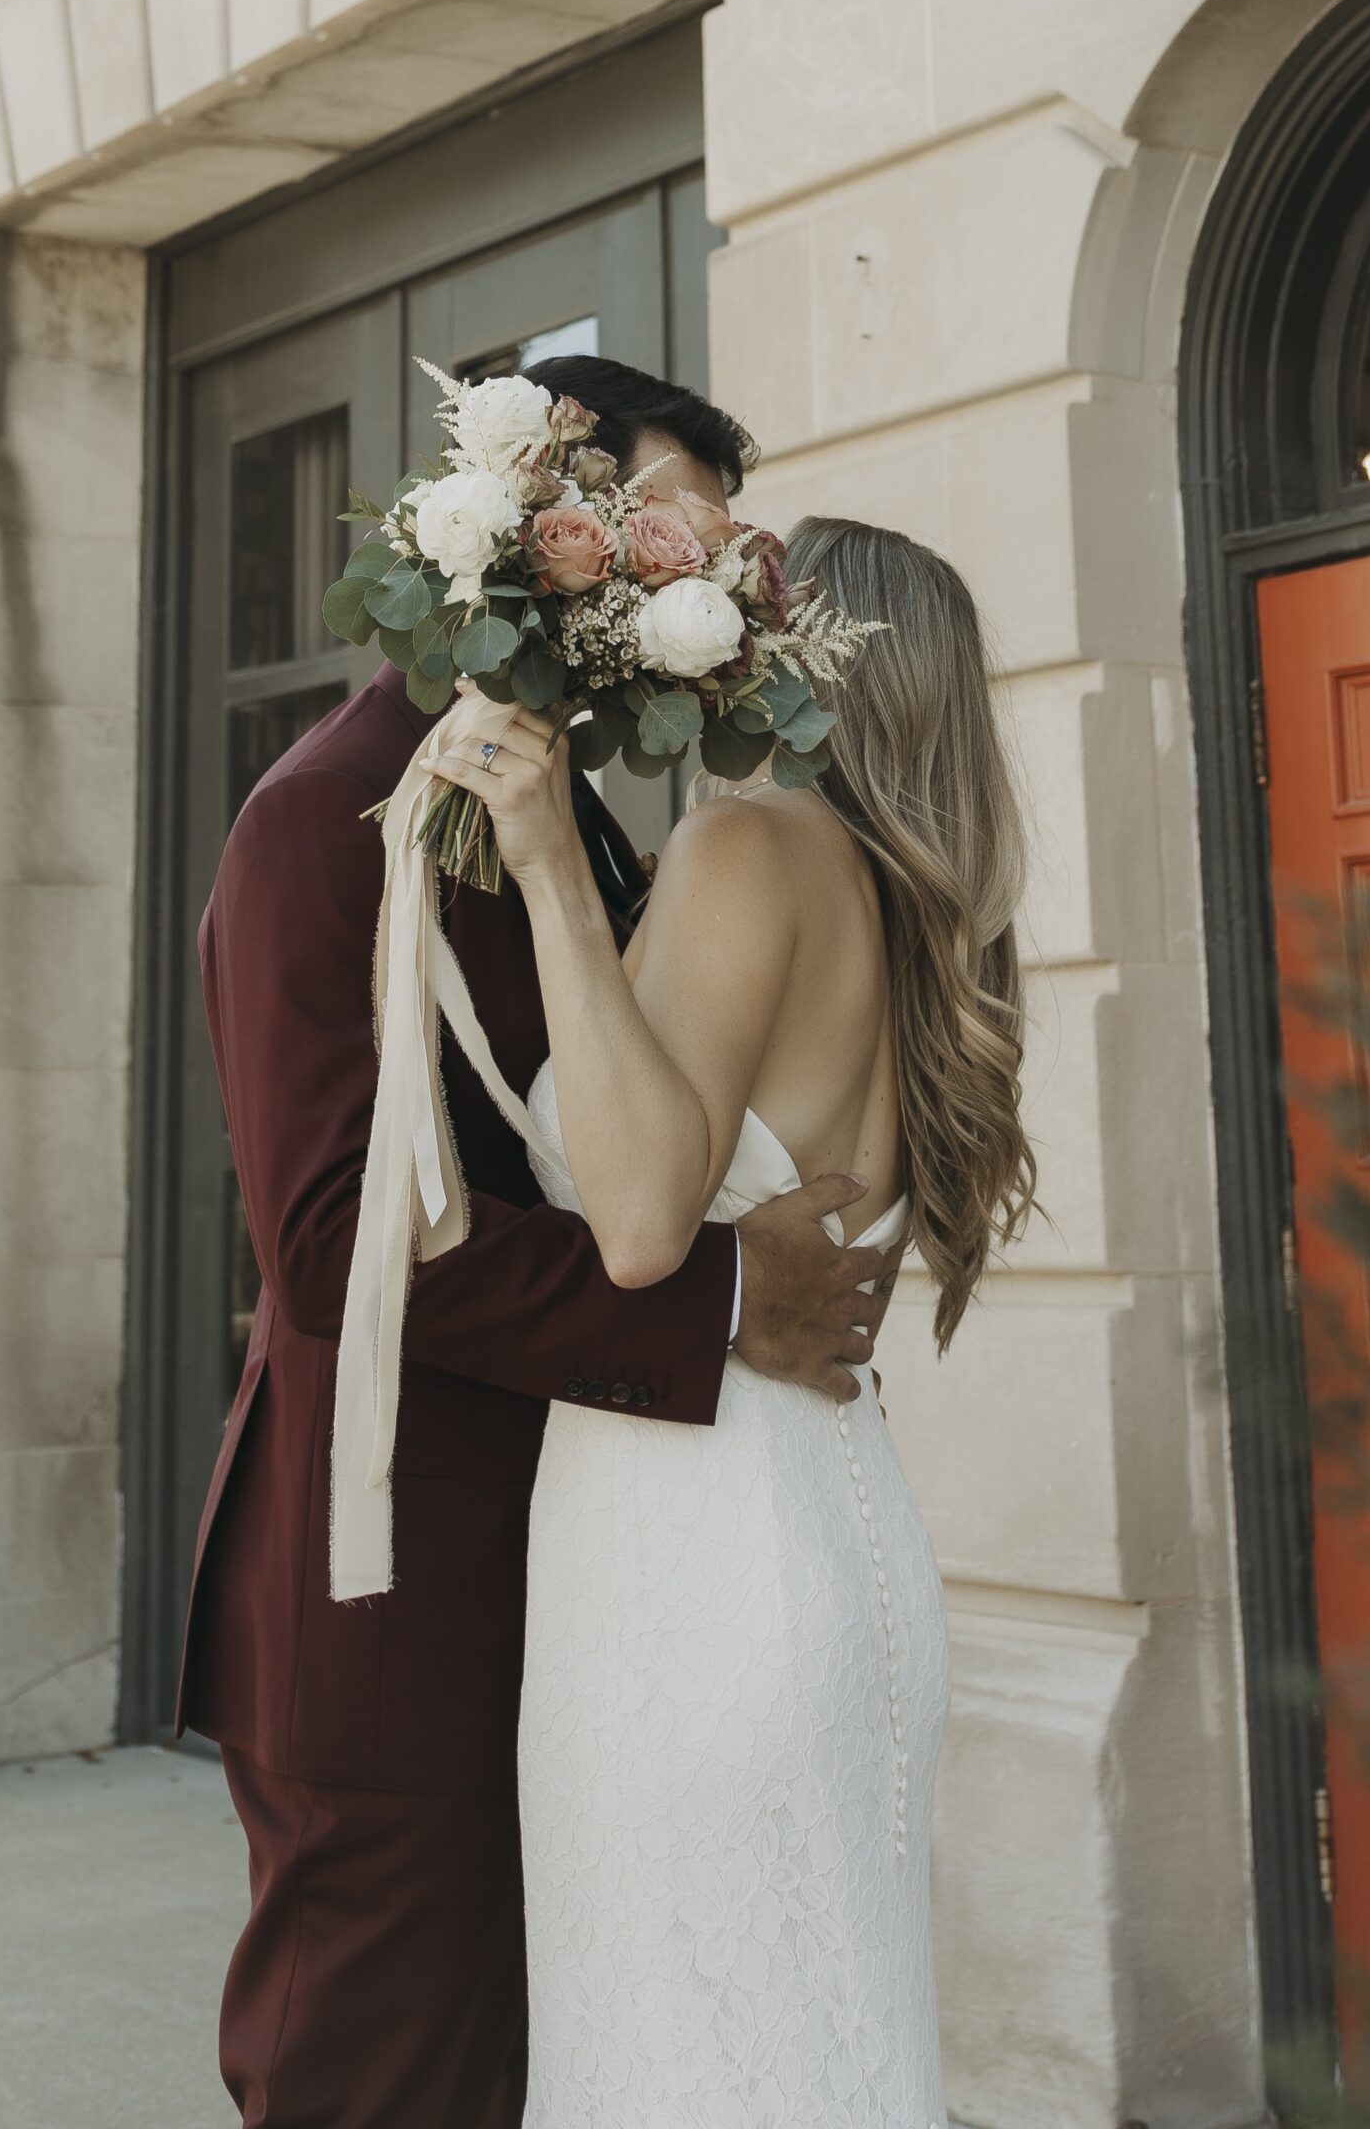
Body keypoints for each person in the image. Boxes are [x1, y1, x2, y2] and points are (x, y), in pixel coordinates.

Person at [177, 362, 905, 2129]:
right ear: (530, 543)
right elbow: (336, 1233)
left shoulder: (583, 821)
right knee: (390, 2074)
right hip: (392, 1577)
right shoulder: (314, 824)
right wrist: (725, 1300)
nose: (706, 595)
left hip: (586, 1565)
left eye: (715, 561)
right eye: (670, 547)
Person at [432, 514, 1035, 2126]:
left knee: (687, 2064)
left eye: (749, 617)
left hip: (691, 1564)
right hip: (827, 1542)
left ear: (802, 660)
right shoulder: (917, 920)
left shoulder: (749, 848)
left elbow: (636, 1225)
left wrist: (555, 858)